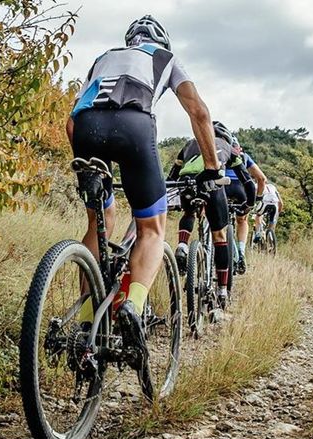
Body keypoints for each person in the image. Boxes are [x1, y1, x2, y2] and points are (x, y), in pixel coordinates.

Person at [67, 15, 222, 340]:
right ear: (162, 41)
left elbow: (70, 122)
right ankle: (132, 306)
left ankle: (86, 320)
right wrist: (211, 167)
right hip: (133, 128)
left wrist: (88, 165)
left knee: (100, 221)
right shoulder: (167, 58)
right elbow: (199, 112)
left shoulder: (103, 58)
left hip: (86, 129)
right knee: (151, 229)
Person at [169, 121, 234, 308]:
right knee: (219, 236)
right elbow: (245, 179)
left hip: (186, 182)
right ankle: (222, 290)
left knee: (189, 212)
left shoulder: (189, 144)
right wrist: (249, 202)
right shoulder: (227, 146)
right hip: (212, 184)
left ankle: (182, 245)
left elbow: (173, 174)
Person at [224, 138, 267, 273]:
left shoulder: (219, 153)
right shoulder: (244, 157)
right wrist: (258, 198)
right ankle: (241, 251)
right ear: (239, 148)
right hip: (241, 189)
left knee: (218, 223)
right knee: (242, 221)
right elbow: (261, 179)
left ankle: (225, 251)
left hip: (222, 187)